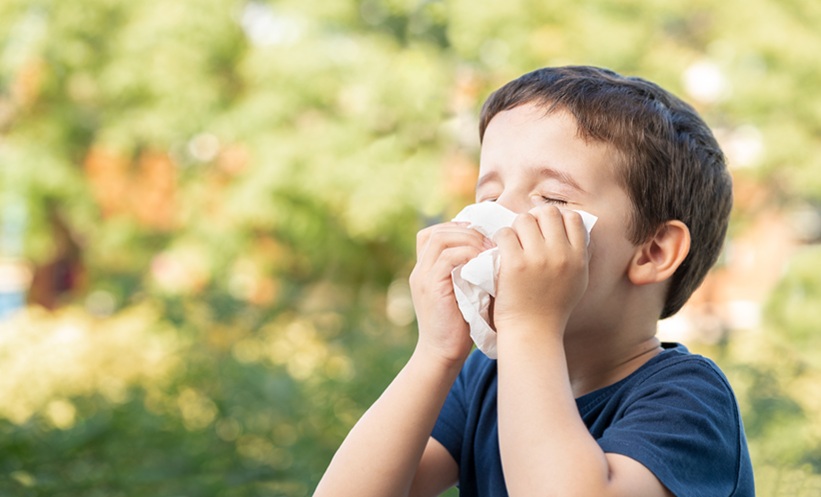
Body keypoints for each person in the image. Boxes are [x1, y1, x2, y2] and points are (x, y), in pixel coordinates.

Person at [313, 65, 755, 497]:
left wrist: (529, 323)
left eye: (552, 198)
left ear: (653, 252)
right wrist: (436, 353)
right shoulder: (486, 378)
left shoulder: (688, 400)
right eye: (489, 195)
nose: (499, 216)